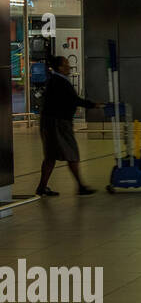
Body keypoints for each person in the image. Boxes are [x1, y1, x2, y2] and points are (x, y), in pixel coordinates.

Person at [35, 55, 100, 197]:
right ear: (59, 67)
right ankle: (81, 186)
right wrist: (92, 104)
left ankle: (42, 187)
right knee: (72, 152)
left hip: (51, 122)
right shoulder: (59, 81)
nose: (69, 66)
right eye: (66, 64)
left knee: (50, 155)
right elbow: (74, 100)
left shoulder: (56, 80)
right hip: (58, 123)